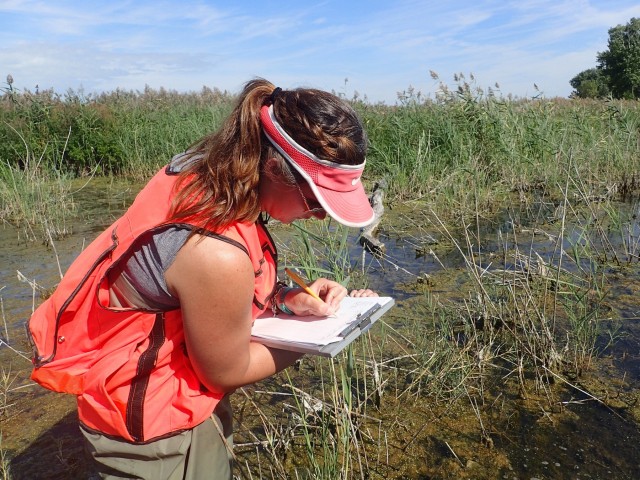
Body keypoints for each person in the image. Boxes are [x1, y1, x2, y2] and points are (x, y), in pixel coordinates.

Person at [27, 78, 378, 479]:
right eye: (317, 201)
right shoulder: (214, 250)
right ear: (273, 167)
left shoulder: (205, 175)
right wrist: (326, 335)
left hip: (148, 396)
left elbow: (187, 291)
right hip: (155, 427)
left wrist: (284, 298)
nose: (320, 216)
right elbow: (226, 370)